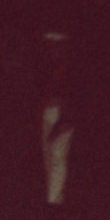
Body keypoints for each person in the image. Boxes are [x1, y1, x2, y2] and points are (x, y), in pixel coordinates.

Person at [35, 31, 75, 209]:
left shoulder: (68, 68)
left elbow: (71, 96)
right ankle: (50, 198)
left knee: (58, 155)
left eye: (56, 46)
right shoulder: (46, 67)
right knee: (48, 156)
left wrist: (65, 118)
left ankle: (54, 201)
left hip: (61, 112)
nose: (52, 49)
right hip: (47, 111)